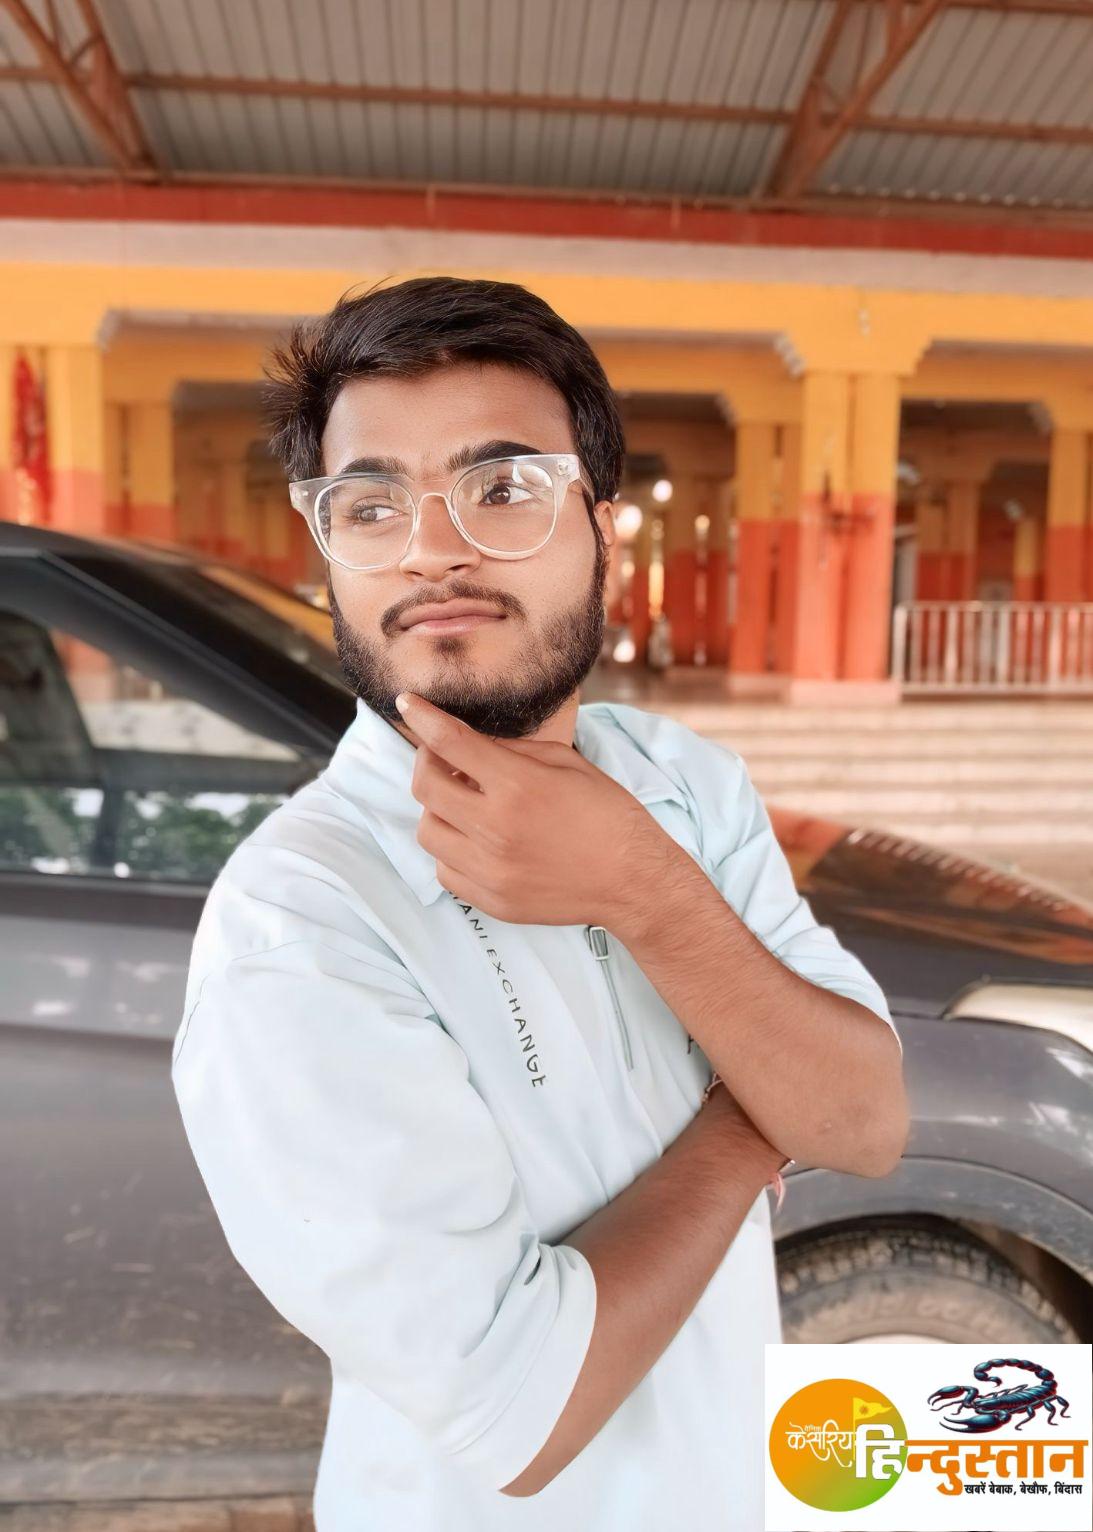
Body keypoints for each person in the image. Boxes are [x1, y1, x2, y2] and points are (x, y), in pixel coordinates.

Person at [171, 275, 909, 1531]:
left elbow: (864, 1116)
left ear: (602, 530)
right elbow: (521, 1409)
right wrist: (747, 1128)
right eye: (371, 503)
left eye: (502, 487)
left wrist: (644, 887)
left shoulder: (682, 785)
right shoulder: (302, 918)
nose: (431, 547)